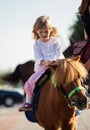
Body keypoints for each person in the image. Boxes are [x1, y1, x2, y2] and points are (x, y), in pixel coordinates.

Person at [18, 16, 64, 112]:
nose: (43, 34)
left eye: (46, 31)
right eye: (41, 32)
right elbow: (38, 57)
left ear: (51, 30)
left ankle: (82, 93)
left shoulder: (55, 41)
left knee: (72, 75)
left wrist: (57, 61)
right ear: (36, 31)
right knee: (29, 82)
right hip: (43, 67)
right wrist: (44, 62)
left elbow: (59, 53)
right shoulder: (37, 44)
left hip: (57, 65)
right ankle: (28, 103)